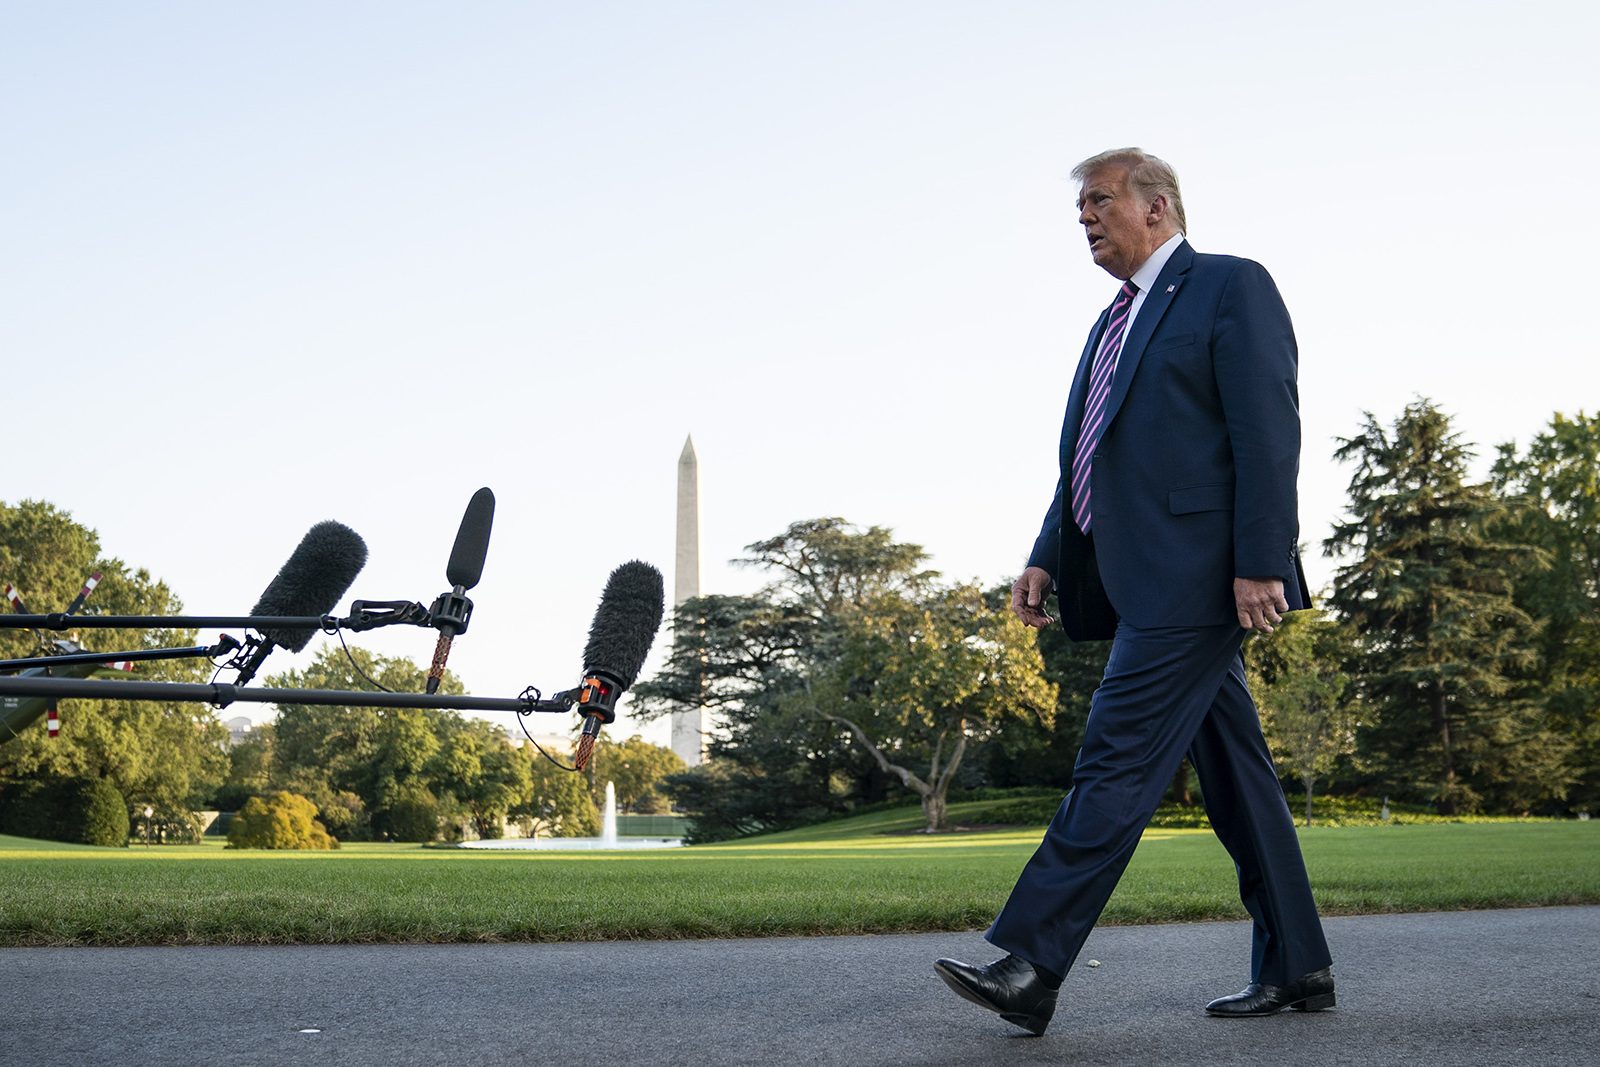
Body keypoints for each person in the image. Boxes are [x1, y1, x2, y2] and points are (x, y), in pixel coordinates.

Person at [934, 148, 1333, 1036]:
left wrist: (1262, 556)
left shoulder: (1231, 286)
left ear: (1157, 207)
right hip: (1139, 573)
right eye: (1080, 204)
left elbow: (1269, 425)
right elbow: (1093, 455)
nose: (1084, 215)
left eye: (1099, 199)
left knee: (1114, 756)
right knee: (1240, 781)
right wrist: (1048, 550)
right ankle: (1299, 965)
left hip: (1198, 575)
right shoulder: (1109, 323)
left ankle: (1032, 962)